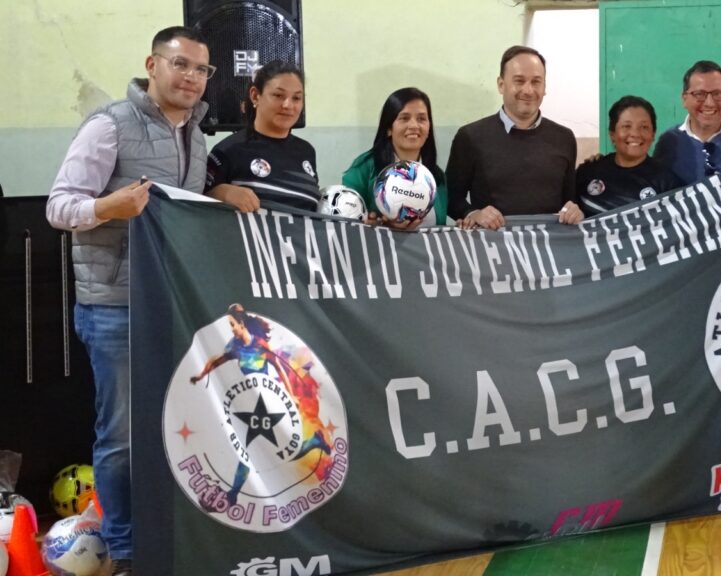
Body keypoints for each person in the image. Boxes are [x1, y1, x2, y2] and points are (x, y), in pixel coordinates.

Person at [46, 26, 213, 575]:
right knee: (121, 436)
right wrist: (106, 208)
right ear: (152, 64)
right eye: (180, 64)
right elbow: (58, 206)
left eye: (201, 69)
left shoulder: (197, 136)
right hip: (113, 305)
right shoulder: (109, 124)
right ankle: (124, 551)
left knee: (173, 428)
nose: (191, 77)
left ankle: (168, 539)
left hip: (170, 304)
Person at [189, 304, 334, 505]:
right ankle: (314, 442)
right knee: (253, 450)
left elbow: (279, 366)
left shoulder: (259, 345)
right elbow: (216, 360)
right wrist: (201, 375)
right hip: (250, 403)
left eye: (232, 324)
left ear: (241, 324)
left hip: (269, 401)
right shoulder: (235, 346)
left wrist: (290, 394)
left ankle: (313, 442)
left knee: (271, 450)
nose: (231, 329)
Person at [446, 45, 584, 230]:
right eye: (519, 81)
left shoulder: (564, 138)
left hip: (549, 245)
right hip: (493, 245)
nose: (528, 90)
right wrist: (474, 214)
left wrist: (575, 211)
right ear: (501, 84)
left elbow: (569, 201)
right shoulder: (470, 137)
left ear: (545, 87)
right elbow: (451, 199)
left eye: (536, 82)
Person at [205, 60, 318, 212]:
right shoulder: (228, 150)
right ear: (255, 96)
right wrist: (222, 194)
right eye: (278, 95)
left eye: (296, 98)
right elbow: (198, 204)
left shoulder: (307, 151)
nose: (288, 105)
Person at [342, 87, 449, 228]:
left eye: (421, 119)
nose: (414, 125)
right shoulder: (363, 169)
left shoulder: (437, 177)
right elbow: (346, 223)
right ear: (388, 128)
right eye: (404, 118)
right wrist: (379, 226)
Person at [576, 95, 682, 217]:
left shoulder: (667, 183)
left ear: (653, 135)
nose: (635, 134)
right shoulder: (588, 171)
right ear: (612, 134)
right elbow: (564, 211)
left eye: (644, 127)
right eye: (626, 126)